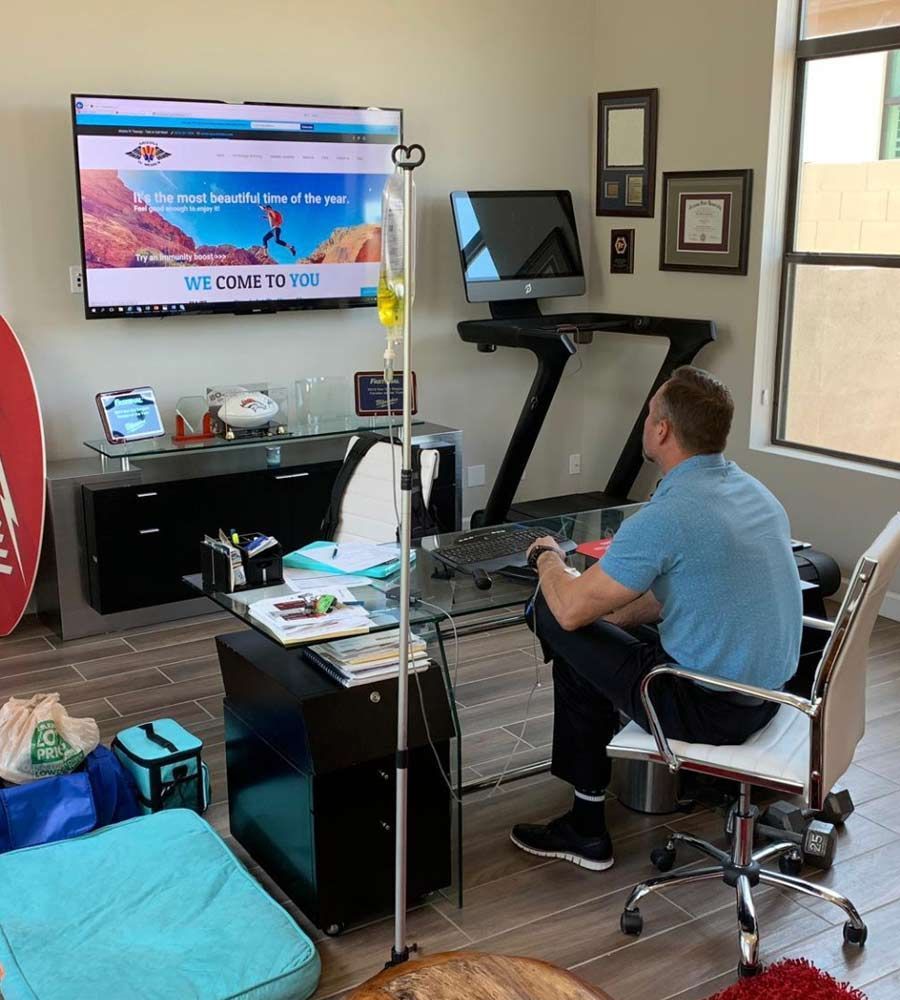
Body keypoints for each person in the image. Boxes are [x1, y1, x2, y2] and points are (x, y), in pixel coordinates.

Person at [510, 366, 802, 872]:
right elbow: (691, 595)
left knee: (553, 615)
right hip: (769, 697)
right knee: (593, 636)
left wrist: (547, 557)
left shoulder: (666, 518)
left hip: (705, 708)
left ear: (662, 431)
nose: (645, 424)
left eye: (649, 416)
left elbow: (571, 606)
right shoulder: (755, 493)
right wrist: (614, 622)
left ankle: (586, 827)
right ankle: (588, 810)